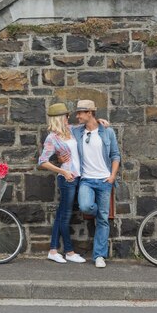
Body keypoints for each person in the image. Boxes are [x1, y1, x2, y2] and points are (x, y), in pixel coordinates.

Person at [37, 103, 110, 264]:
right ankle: (69, 251)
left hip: (78, 177)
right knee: (65, 215)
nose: (69, 118)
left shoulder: (71, 130)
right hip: (67, 179)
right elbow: (42, 162)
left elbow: (88, 124)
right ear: (60, 118)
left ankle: (53, 250)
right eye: (66, 116)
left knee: (62, 214)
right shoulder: (52, 137)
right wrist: (62, 171)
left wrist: (101, 121)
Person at [72, 99, 120, 268]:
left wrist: (112, 176)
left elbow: (115, 155)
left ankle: (99, 255)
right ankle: (99, 211)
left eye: (80, 113)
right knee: (85, 207)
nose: (77, 116)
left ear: (90, 113)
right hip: (86, 180)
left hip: (104, 180)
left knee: (103, 221)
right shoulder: (77, 132)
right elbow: (59, 131)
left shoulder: (107, 132)